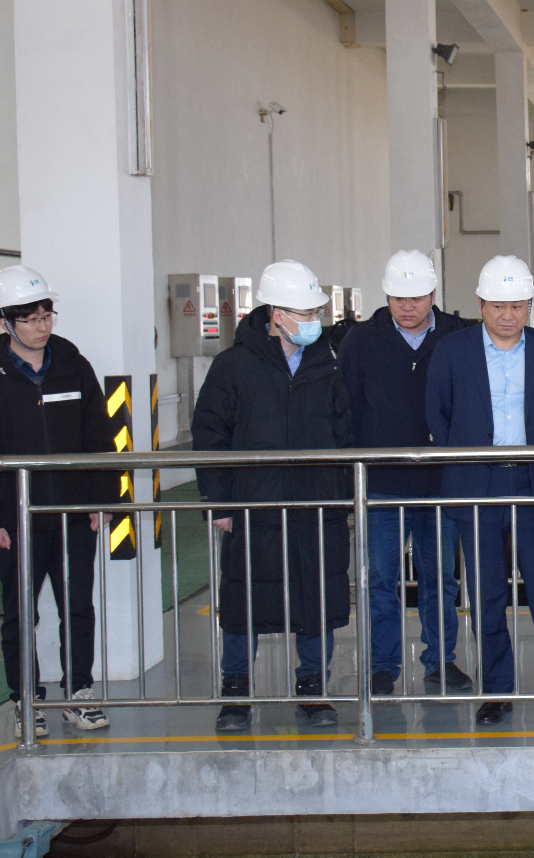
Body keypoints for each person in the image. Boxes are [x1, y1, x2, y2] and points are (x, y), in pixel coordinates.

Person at [0, 264, 114, 739]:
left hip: (73, 514)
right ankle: (28, 699)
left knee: (78, 608)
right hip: (16, 520)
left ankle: (79, 692)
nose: (41, 326)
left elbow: (99, 438)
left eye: (46, 316)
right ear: (6, 322)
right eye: (30, 318)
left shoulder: (74, 366)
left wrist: (102, 500)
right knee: (21, 615)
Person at [426, 255, 534, 726]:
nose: (507, 315)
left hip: (532, 480)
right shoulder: (452, 351)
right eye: (498, 305)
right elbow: (438, 413)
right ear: (481, 304)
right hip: (476, 481)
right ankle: (496, 691)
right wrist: (469, 457)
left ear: (529, 306)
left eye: (517, 306)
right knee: (486, 593)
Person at [192, 259, 353, 731]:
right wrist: (219, 501)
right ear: (276, 315)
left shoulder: (328, 366)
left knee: (316, 596)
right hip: (254, 505)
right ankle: (236, 690)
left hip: (316, 505)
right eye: (305, 313)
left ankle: (313, 688)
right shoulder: (233, 367)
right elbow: (210, 435)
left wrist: (342, 494)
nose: (314, 321)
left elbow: (346, 434)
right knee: (245, 598)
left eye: (316, 312)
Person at [337, 249, 472, 696]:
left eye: (416, 298)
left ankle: (441, 661)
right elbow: (345, 409)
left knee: (441, 578)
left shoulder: (456, 337)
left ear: (433, 294)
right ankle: (383, 666)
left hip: (440, 483)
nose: (407, 307)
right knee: (379, 580)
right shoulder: (361, 341)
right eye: (398, 298)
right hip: (381, 484)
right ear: (387, 296)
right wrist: (351, 477)